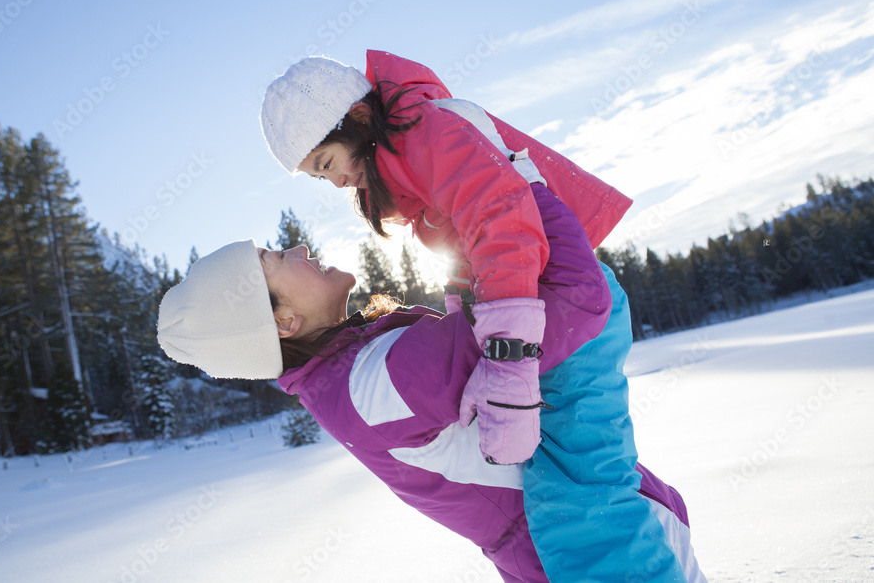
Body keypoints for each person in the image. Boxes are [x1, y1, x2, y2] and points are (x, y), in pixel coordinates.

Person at [258, 51, 693, 581]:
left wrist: (506, 363)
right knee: (582, 488)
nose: (334, 182)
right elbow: (474, 249)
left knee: (583, 505)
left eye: (326, 164)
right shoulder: (411, 160)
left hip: (563, 307)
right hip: (552, 307)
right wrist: (466, 308)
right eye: (317, 176)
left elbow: (501, 221)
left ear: (358, 119)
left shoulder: (428, 134)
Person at [157, 240, 706, 583]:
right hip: (594, 554)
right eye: (276, 260)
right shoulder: (372, 384)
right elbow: (554, 308)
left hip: (595, 539)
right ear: (282, 324)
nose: (298, 248)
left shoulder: (354, 373)